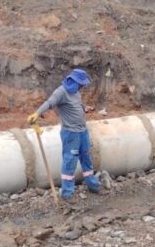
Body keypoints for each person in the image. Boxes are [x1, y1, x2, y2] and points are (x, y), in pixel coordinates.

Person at [27, 69, 101, 201]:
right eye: (81, 84)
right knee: (70, 162)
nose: (82, 87)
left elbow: (77, 104)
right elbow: (49, 103)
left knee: (86, 158)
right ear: (74, 81)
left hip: (83, 131)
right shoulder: (61, 92)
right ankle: (67, 194)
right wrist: (37, 113)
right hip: (71, 134)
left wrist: (85, 108)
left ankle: (93, 185)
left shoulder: (76, 92)